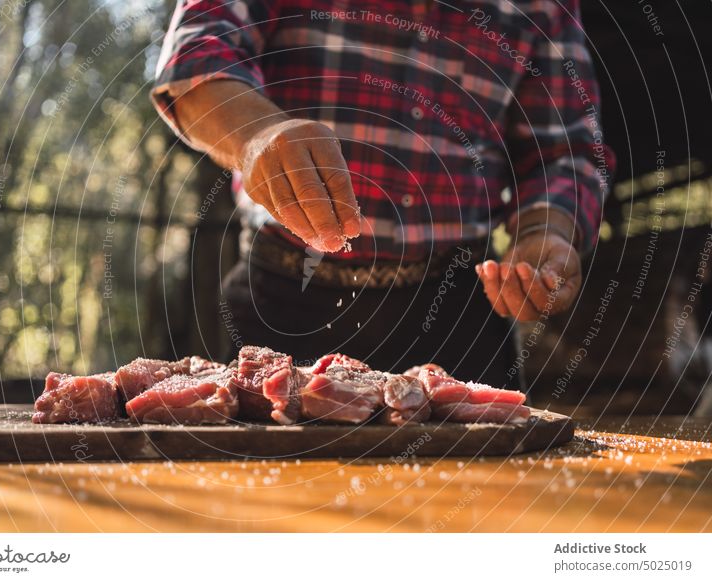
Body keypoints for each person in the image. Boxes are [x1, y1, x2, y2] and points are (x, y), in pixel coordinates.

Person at [151, 0, 614, 388]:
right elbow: (197, 55)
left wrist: (544, 232)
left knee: (476, 494)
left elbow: (567, 151)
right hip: (285, 296)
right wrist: (256, 135)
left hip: (458, 310)